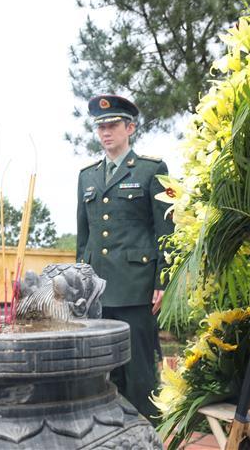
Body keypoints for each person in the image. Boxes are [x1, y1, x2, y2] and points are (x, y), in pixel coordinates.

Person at [75, 94, 173, 422]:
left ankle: (147, 433)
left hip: (137, 287)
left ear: (129, 127)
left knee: (140, 372)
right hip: (98, 290)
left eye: (113, 125)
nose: (105, 132)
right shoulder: (87, 176)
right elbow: (84, 237)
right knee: (103, 371)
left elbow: (167, 230)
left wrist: (163, 280)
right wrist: (80, 282)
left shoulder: (151, 170)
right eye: (100, 126)